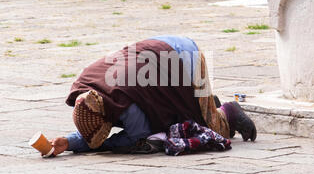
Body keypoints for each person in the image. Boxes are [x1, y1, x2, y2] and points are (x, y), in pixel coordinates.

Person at [49, 35, 256, 157]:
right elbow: (92, 120)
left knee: (211, 127)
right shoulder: (86, 85)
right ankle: (205, 102)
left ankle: (228, 110)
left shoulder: (126, 104)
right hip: (160, 48)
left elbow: (137, 136)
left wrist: (100, 144)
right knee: (187, 111)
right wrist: (68, 142)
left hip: (185, 57)